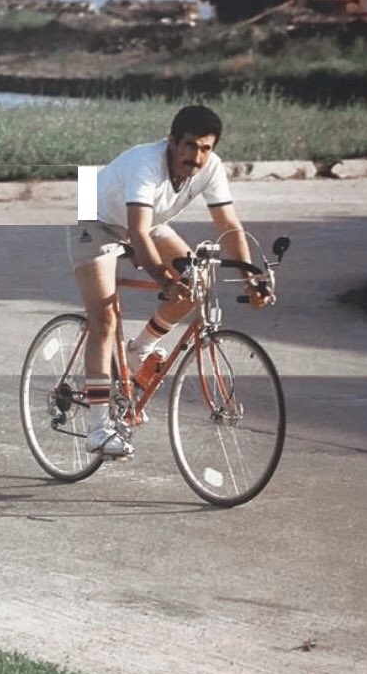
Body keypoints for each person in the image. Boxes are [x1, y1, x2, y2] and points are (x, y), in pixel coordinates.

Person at [67, 104, 270, 458]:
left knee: (197, 283)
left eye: (205, 148)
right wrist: (163, 279)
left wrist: (249, 279)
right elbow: (137, 232)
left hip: (149, 222)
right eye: (189, 145)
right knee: (104, 317)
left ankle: (139, 350)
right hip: (95, 219)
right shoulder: (146, 164)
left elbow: (229, 226)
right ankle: (98, 430)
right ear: (172, 141)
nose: (196, 156)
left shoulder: (212, 167)